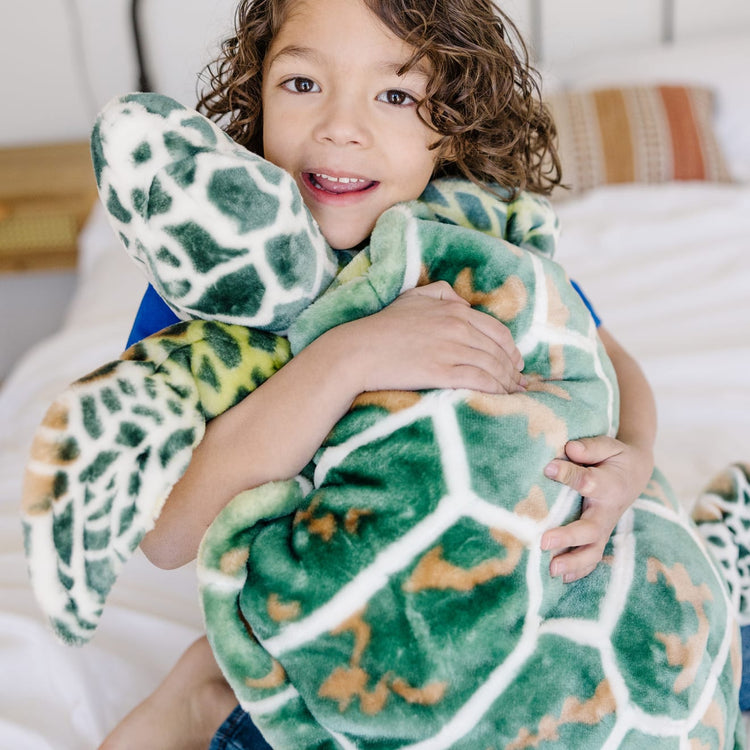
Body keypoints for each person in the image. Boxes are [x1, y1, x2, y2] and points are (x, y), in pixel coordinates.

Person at [99, 0, 656, 748]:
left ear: (453, 121)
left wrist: (636, 461)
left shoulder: (478, 243)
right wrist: (351, 354)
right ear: (256, 90)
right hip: (328, 650)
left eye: (395, 95)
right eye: (301, 84)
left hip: (483, 607)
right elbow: (164, 536)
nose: (339, 126)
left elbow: (615, 361)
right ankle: (207, 689)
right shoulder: (217, 273)